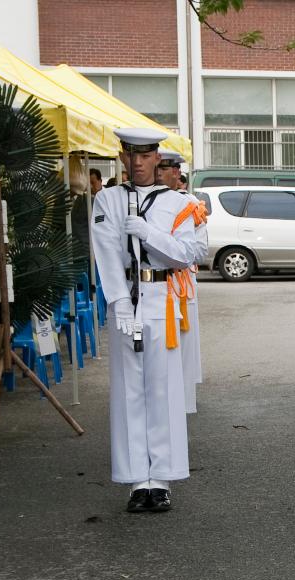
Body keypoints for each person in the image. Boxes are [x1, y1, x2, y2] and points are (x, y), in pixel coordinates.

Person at [92, 129, 208, 513]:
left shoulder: (177, 203)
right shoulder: (107, 199)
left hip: (162, 299)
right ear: (122, 157)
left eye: (145, 155)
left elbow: (186, 254)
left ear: (157, 157)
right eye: (131, 155)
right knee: (129, 391)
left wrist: (149, 233)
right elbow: (106, 253)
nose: (138, 162)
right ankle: (135, 480)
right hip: (127, 299)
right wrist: (120, 302)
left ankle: (161, 478)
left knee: (162, 388)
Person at [158, 148, 206, 415]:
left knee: (184, 345)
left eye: (164, 169)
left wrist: (172, 249)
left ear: (176, 173)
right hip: (154, 286)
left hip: (181, 284)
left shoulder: (191, 205)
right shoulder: (144, 201)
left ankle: (185, 402)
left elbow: (199, 250)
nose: (159, 174)